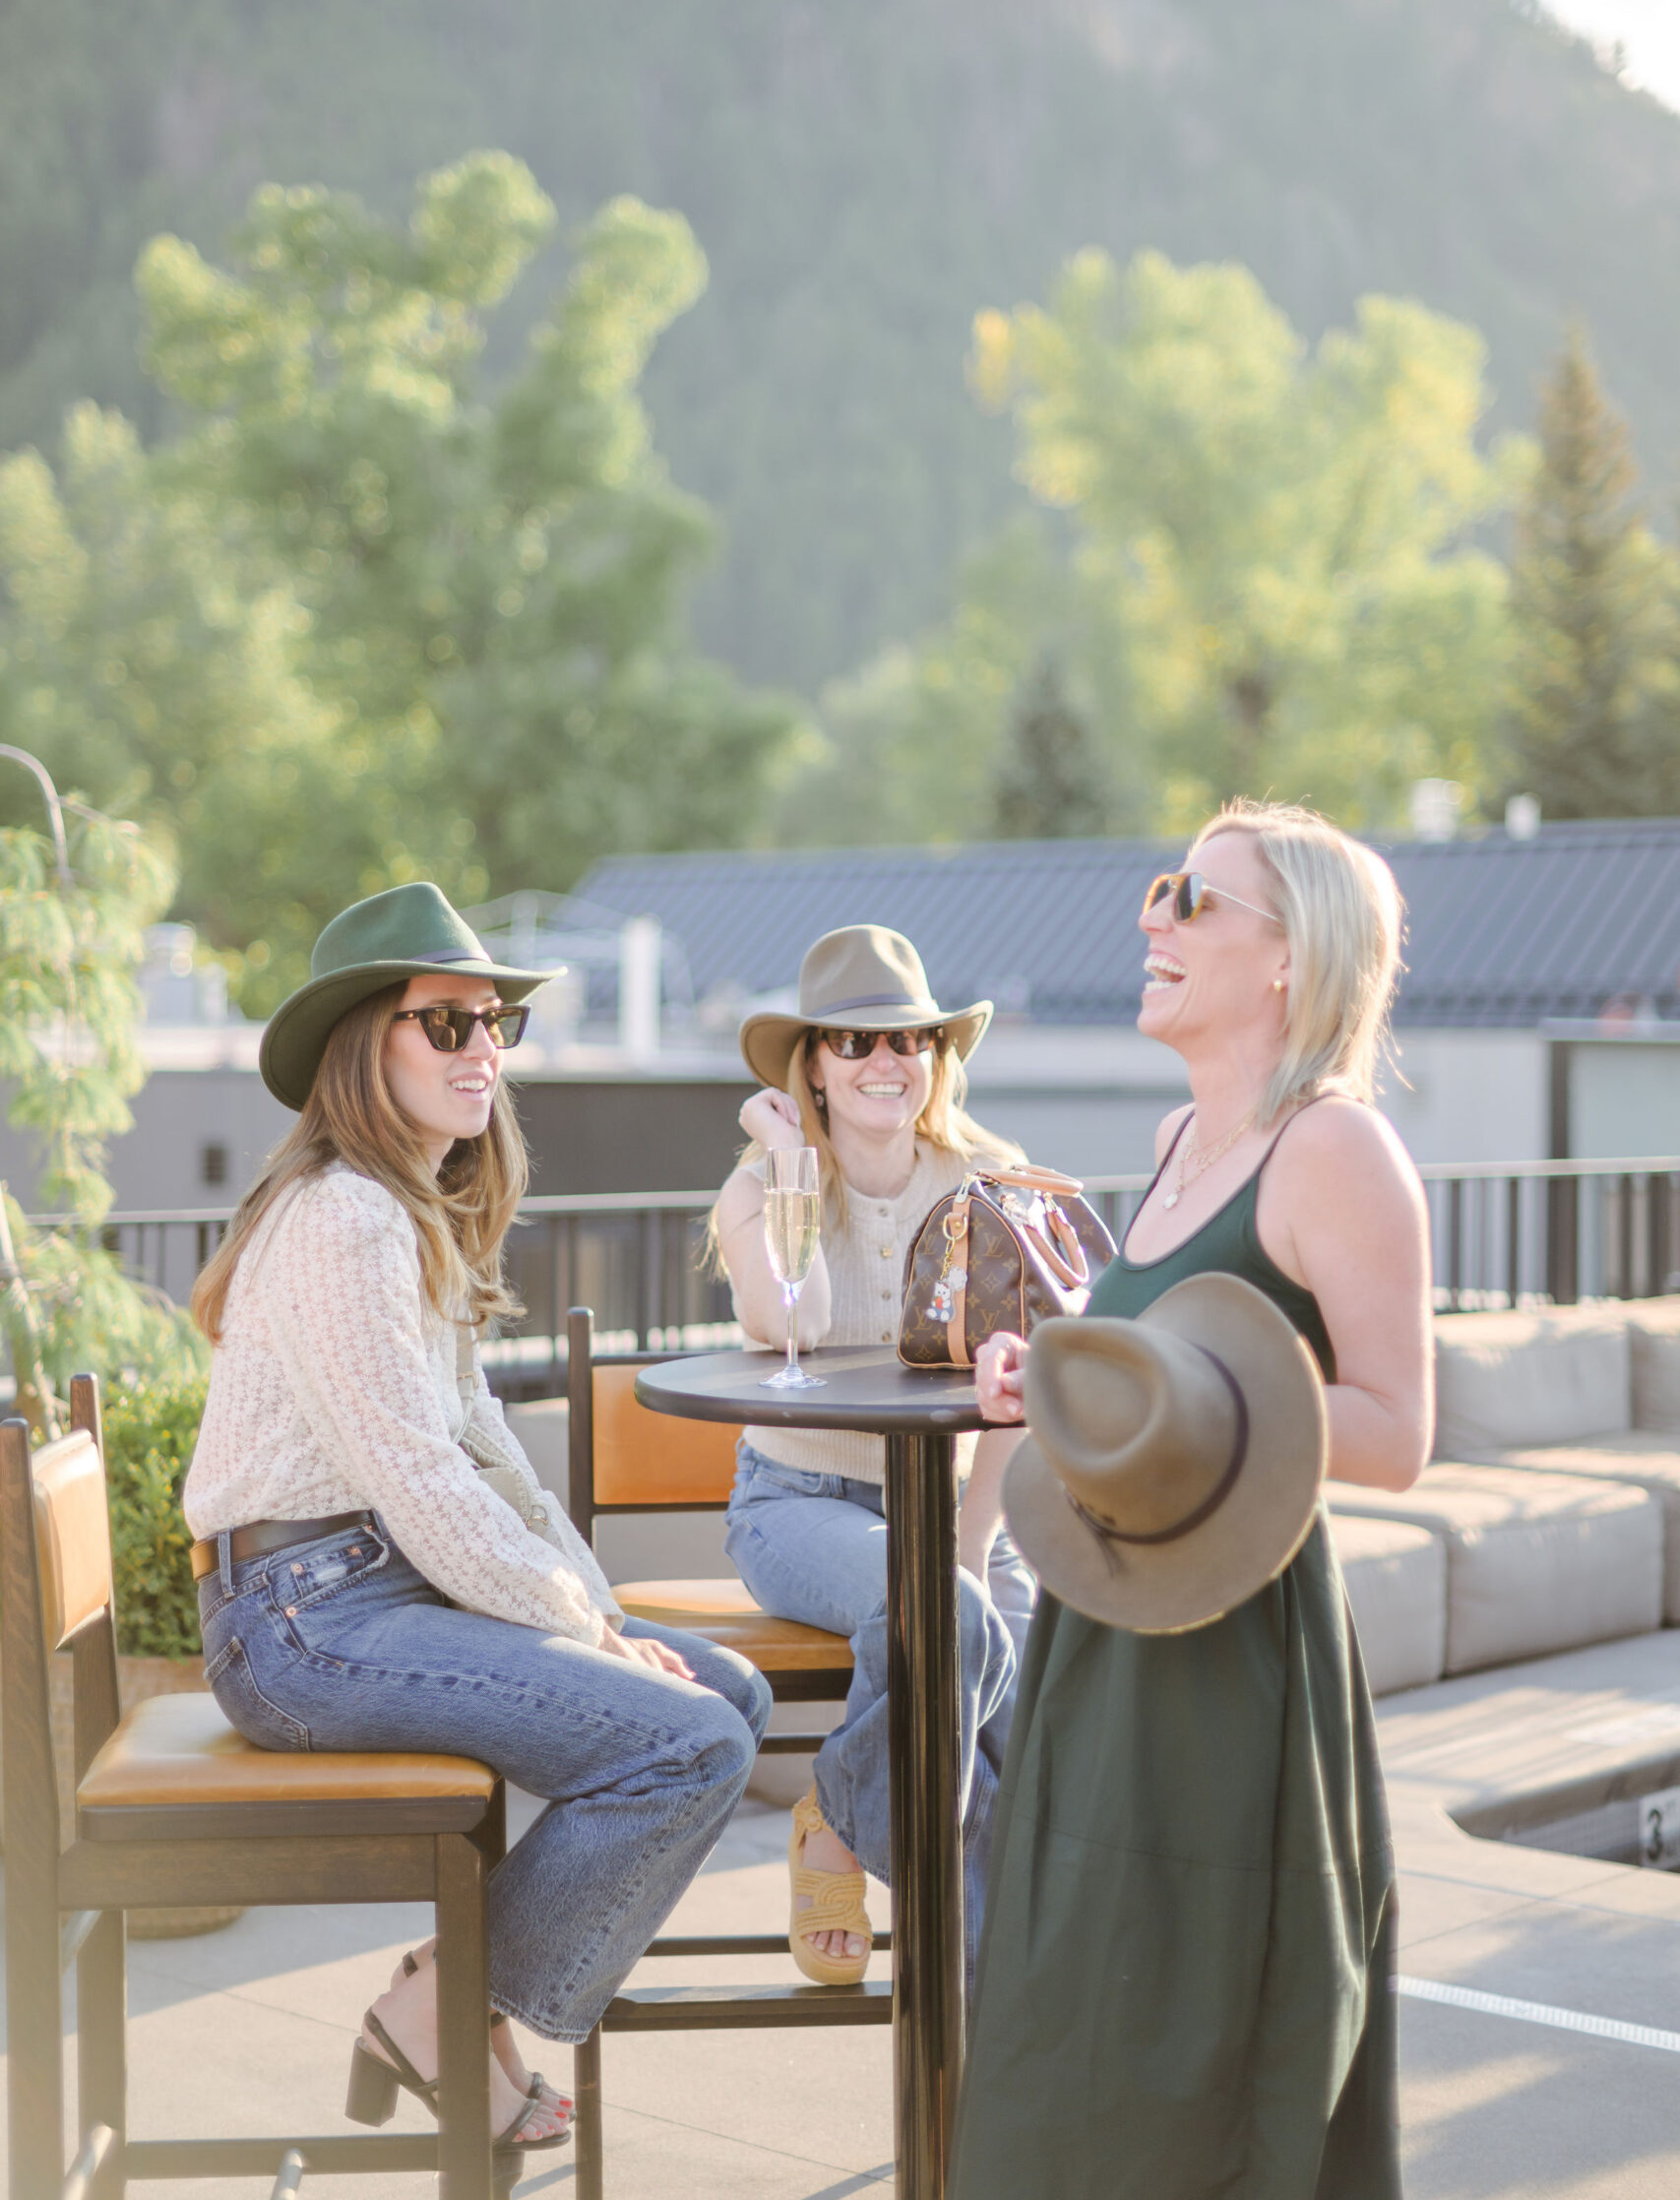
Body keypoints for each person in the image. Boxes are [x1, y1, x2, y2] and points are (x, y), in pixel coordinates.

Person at [185, 884, 771, 2157]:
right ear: (362, 1049)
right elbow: (417, 1478)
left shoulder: (404, 1211)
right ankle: (452, 2017)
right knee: (684, 1745)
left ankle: (444, 2002)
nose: (482, 1048)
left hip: (363, 1592)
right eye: (442, 1023)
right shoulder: (342, 1213)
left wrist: (596, 1610)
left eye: (492, 1020)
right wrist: (587, 1628)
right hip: (300, 1623)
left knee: (725, 1701)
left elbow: (487, 1454)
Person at [952, 800, 1432, 2200]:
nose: (1151, 919)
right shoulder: (1174, 1142)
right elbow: (1147, 1388)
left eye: (1192, 901)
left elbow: (1397, 1434)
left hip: (1234, 1661)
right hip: (1098, 1632)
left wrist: (1156, 1387)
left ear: (1290, 960)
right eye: (1161, 889)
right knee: (1065, 2020)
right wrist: (1052, 1374)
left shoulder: (1333, 1152)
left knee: (1199, 2045)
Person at [713, 924, 1034, 1986]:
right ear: (811, 1063)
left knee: (1041, 1701)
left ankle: (845, 1812)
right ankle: (982, 2013)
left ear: (938, 1056)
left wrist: (971, 1544)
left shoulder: (991, 1185)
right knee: (952, 1621)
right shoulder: (759, 1192)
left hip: (951, 1507)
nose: (886, 1061)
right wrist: (793, 1163)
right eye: (853, 1042)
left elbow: (1013, 1394)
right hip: (798, 1504)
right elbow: (785, 1319)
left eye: (909, 1037)